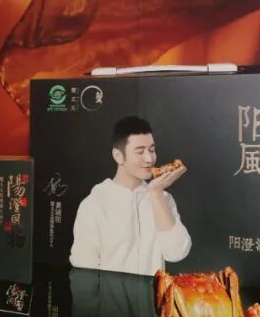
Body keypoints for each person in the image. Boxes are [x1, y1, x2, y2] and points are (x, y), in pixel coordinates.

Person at [69, 116, 190, 276]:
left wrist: (156, 194)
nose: (149, 159)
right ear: (118, 156)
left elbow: (177, 253)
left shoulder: (163, 198)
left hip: (153, 292)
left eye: (152, 150)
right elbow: (84, 270)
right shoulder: (94, 204)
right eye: (140, 151)